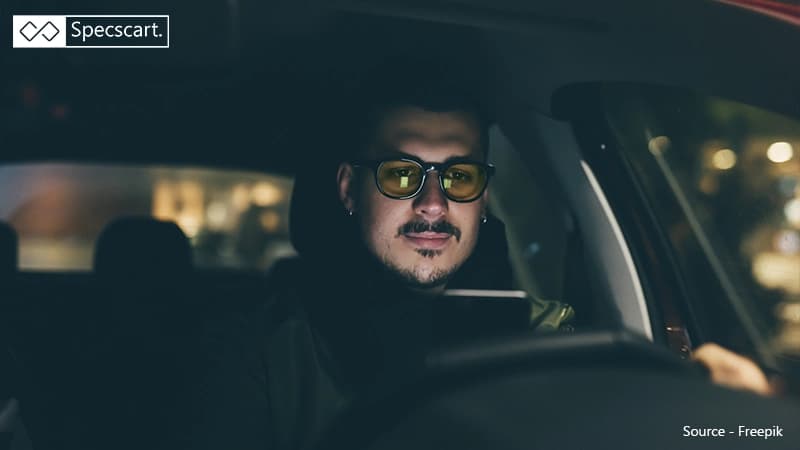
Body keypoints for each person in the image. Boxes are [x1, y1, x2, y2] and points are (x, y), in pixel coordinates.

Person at [180, 74, 774, 450]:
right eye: (402, 174)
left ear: (482, 194)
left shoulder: (557, 337)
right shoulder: (262, 349)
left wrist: (734, 420)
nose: (433, 204)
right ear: (346, 189)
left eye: (459, 175)